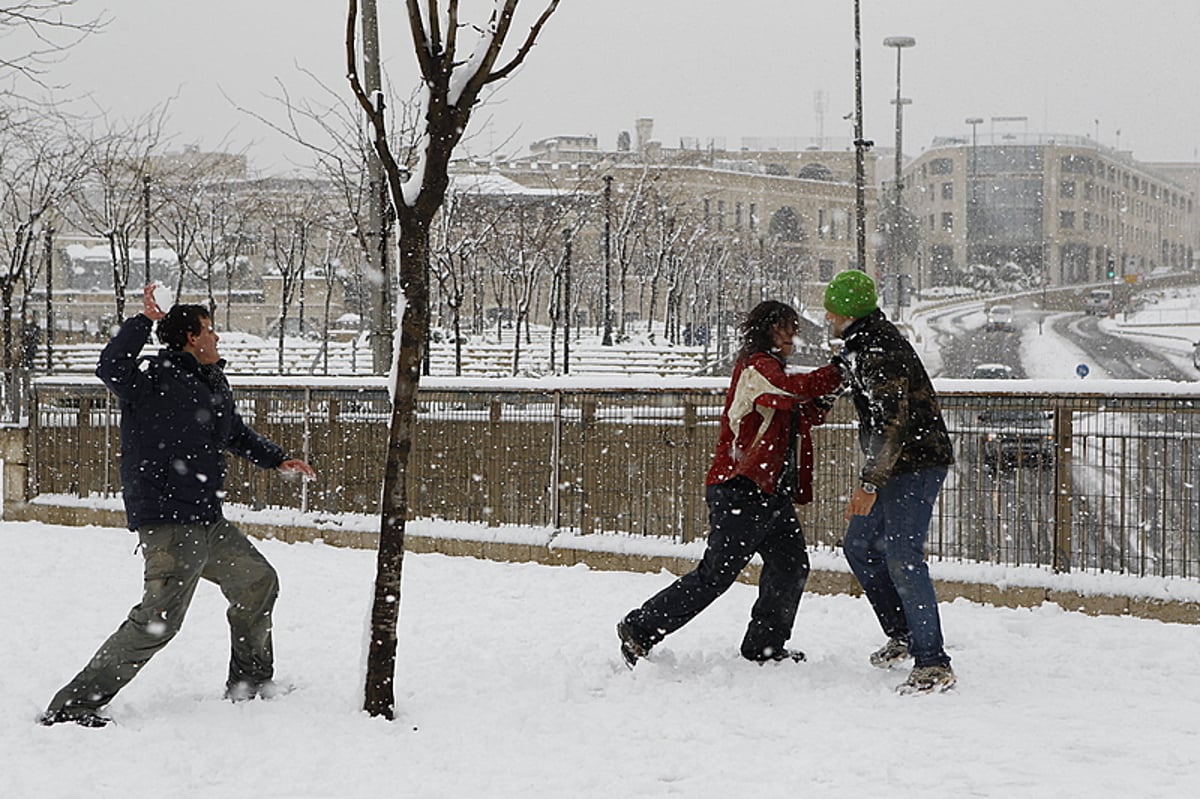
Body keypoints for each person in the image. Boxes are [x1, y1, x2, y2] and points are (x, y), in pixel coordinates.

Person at [39, 285, 316, 728]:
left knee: (257, 582)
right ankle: (74, 705)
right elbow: (110, 366)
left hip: (206, 517)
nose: (217, 338)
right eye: (210, 330)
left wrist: (278, 457)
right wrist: (144, 320)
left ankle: (249, 681)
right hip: (168, 520)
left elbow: (235, 434)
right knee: (159, 620)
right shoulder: (152, 378)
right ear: (190, 337)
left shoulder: (212, 382)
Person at [617, 300, 843, 667]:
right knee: (716, 576)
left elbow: (798, 411)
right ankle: (640, 627)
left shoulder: (770, 372)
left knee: (790, 566)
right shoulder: (757, 367)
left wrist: (826, 398)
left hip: (769, 492)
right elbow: (792, 389)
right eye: (785, 328)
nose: (792, 335)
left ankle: (765, 647)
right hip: (741, 487)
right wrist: (836, 372)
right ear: (768, 330)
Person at [822, 270, 957, 695]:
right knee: (860, 546)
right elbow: (836, 379)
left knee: (902, 555)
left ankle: (933, 661)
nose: (826, 316)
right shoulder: (861, 344)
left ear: (846, 311)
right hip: (897, 466)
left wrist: (869, 482)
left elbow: (891, 423)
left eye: (831, 308)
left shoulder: (880, 349)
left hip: (916, 464)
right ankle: (904, 634)